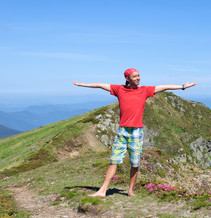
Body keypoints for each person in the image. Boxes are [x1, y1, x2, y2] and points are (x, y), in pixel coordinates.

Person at [73, 68, 197, 197]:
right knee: (114, 160)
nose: (138, 78)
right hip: (122, 130)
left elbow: (164, 87)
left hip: (137, 131)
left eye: (138, 76)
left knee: (135, 162)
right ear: (127, 78)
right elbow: (100, 85)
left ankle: (130, 190)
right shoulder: (119, 89)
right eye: (134, 76)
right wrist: (82, 84)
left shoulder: (144, 90)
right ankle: (102, 190)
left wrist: (183, 87)